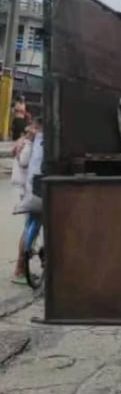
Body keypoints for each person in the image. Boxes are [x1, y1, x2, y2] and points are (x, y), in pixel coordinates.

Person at [11, 118, 41, 284]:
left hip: (27, 189)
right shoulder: (28, 143)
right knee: (30, 227)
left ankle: (22, 268)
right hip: (28, 191)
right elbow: (24, 162)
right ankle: (20, 269)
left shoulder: (25, 141)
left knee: (30, 227)